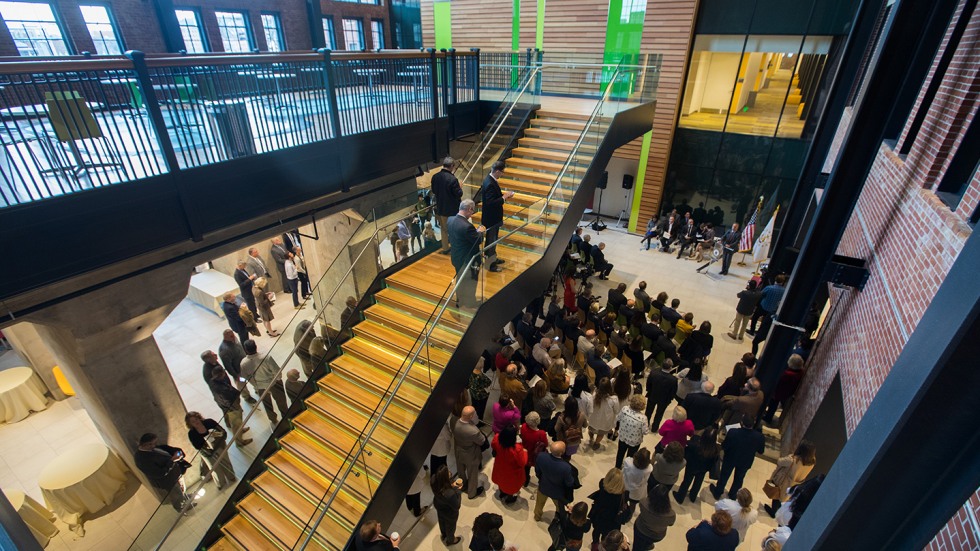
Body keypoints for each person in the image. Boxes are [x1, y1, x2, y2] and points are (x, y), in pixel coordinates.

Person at [709, 417, 766, 500]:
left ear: (742, 423)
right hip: (745, 461)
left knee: (724, 475)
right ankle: (733, 494)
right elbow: (761, 451)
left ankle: (718, 492)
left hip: (730, 458)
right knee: (739, 479)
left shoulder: (733, 432)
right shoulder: (759, 437)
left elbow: (725, 446)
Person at [447, 199, 486, 309]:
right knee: (471, 281)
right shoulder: (467, 226)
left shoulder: (450, 220)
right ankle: (470, 302)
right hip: (469, 260)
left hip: (456, 257)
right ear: (469, 209)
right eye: (472, 211)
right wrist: (480, 232)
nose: (472, 214)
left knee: (460, 278)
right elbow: (477, 240)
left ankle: (459, 300)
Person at [135, 433, 188, 511]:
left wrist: (177, 453)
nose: (156, 445)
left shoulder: (153, 449)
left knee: (181, 489)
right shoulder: (142, 459)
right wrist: (172, 460)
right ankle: (181, 507)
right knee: (176, 494)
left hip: (175, 474)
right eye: (154, 443)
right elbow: (159, 473)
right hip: (168, 481)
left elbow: (168, 450)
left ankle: (185, 500)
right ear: (146, 444)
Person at [239, 339, 288, 425]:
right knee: (281, 401)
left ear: (245, 349)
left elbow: (244, 377)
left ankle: (273, 419)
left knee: (267, 404)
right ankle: (286, 416)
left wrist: (255, 384)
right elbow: (276, 370)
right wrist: (278, 379)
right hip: (274, 383)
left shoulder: (243, 363)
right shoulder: (265, 357)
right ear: (256, 347)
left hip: (260, 386)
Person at [185, 411, 236, 490]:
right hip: (207, 452)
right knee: (214, 468)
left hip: (219, 445)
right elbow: (197, 446)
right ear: (190, 424)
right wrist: (207, 448)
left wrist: (217, 437)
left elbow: (222, 432)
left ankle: (231, 476)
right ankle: (220, 483)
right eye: (193, 422)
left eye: (196, 419)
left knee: (226, 461)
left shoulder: (209, 422)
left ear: (199, 418)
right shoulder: (191, 434)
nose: (196, 422)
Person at [765, 440, 816, 517]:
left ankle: (773, 512)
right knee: (784, 496)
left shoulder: (792, 460)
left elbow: (779, 461)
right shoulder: (812, 462)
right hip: (796, 483)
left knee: (777, 495)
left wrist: (791, 455)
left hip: (784, 481)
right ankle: (777, 510)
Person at [673, 425, 720, 504]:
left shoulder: (695, 444)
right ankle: (693, 497)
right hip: (704, 469)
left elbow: (686, 451)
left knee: (687, 481)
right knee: (698, 481)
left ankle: (680, 497)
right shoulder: (716, 449)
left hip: (691, 466)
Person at [481, 160, 514, 270]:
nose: (502, 174)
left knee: (492, 240)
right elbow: (490, 203)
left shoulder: (490, 180)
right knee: (491, 241)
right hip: (492, 219)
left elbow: (494, 198)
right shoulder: (490, 183)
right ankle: (490, 265)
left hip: (491, 218)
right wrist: (504, 198)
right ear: (497, 171)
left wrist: (504, 196)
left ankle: (493, 259)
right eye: (502, 172)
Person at [208, 366, 253, 447]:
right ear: (220, 375)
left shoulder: (212, 382)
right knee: (236, 424)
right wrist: (236, 400)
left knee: (237, 422)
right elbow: (230, 395)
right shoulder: (222, 388)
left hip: (225, 405)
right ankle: (239, 442)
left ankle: (240, 430)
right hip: (232, 407)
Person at [534, 441, 576, 522]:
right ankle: (558, 519)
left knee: (539, 504)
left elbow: (537, 471)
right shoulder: (566, 467)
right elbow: (569, 483)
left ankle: (537, 516)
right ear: (562, 452)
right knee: (559, 507)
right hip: (558, 493)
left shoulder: (541, 456)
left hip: (543, 486)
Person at [454, 406, 487, 499]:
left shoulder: (455, 423)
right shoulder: (474, 431)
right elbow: (482, 441)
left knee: (461, 471)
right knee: (472, 474)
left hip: (459, 451)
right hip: (471, 454)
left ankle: (462, 485)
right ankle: (472, 493)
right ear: (471, 416)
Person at [431, 157, 463, 254]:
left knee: (444, 230)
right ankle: (456, 248)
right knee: (454, 230)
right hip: (453, 210)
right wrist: (460, 187)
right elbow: (459, 194)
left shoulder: (435, 177)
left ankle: (445, 248)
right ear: (452, 166)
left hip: (441, 208)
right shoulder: (453, 179)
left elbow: (434, 191)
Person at [763, 354, 806, 424]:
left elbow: (779, 383)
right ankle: (768, 415)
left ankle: (768, 417)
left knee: (773, 404)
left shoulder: (788, 374)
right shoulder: (800, 371)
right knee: (773, 404)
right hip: (787, 391)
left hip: (780, 392)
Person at [588, 468, 628, 544]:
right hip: (612, 521)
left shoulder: (602, 485)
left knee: (596, 531)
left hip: (599, 516)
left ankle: (595, 544)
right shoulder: (623, 495)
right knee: (606, 536)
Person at [491, 424, 528, 504]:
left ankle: (502, 493)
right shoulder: (517, 449)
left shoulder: (497, 438)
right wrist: (525, 452)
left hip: (500, 466)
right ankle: (510, 498)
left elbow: (493, 445)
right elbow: (522, 462)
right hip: (512, 472)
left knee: (501, 480)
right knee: (511, 485)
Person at [753, 274, 788, 355]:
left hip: (763, 306)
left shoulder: (769, 288)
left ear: (775, 280)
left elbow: (761, 294)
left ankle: (752, 330)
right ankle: (758, 331)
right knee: (765, 322)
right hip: (772, 310)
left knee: (755, 317)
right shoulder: (784, 291)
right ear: (782, 282)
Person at [633, 485, 675, 551]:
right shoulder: (671, 514)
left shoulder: (643, 502)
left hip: (640, 529)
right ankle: (647, 546)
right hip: (656, 535)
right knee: (648, 542)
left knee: (637, 546)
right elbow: (671, 524)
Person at [428, 464, 462, 545]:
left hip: (438, 504)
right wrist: (458, 490)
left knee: (441, 521)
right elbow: (457, 505)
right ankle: (451, 540)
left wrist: (451, 484)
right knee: (450, 526)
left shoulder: (433, 479)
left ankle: (444, 535)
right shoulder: (450, 493)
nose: (450, 472)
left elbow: (443, 485)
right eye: (448, 472)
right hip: (449, 512)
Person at [615, 394, 649, 469]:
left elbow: (618, 418)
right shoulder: (643, 418)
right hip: (634, 441)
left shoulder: (624, 409)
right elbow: (645, 432)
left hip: (623, 437)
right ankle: (626, 469)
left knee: (620, 453)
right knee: (630, 457)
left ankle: (617, 467)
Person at [588, 378, 620, 451]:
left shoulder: (595, 394)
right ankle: (596, 443)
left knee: (591, 429)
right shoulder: (613, 399)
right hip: (605, 420)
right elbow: (616, 410)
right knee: (601, 433)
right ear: (609, 387)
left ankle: (591, 438)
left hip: (594, 418)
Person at [645, 362, 678, 431]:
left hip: (652, 395)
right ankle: (654, 428)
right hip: (664, 400)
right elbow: (673, 392)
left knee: (648, 411)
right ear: (670, 367)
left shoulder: (653, 373)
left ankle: (645, 426)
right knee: (659, 414)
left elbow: (648, 384)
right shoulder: (673, 379)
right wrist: (670, 399)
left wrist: (649, 391)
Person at [521, 412, 549, 486]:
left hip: (523, 452)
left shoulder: (523, 427)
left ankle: (524, 481)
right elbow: (545, 444)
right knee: (529, 468)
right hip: (533, 455)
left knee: (525, 469)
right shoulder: (541, 434)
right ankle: (526, 481)